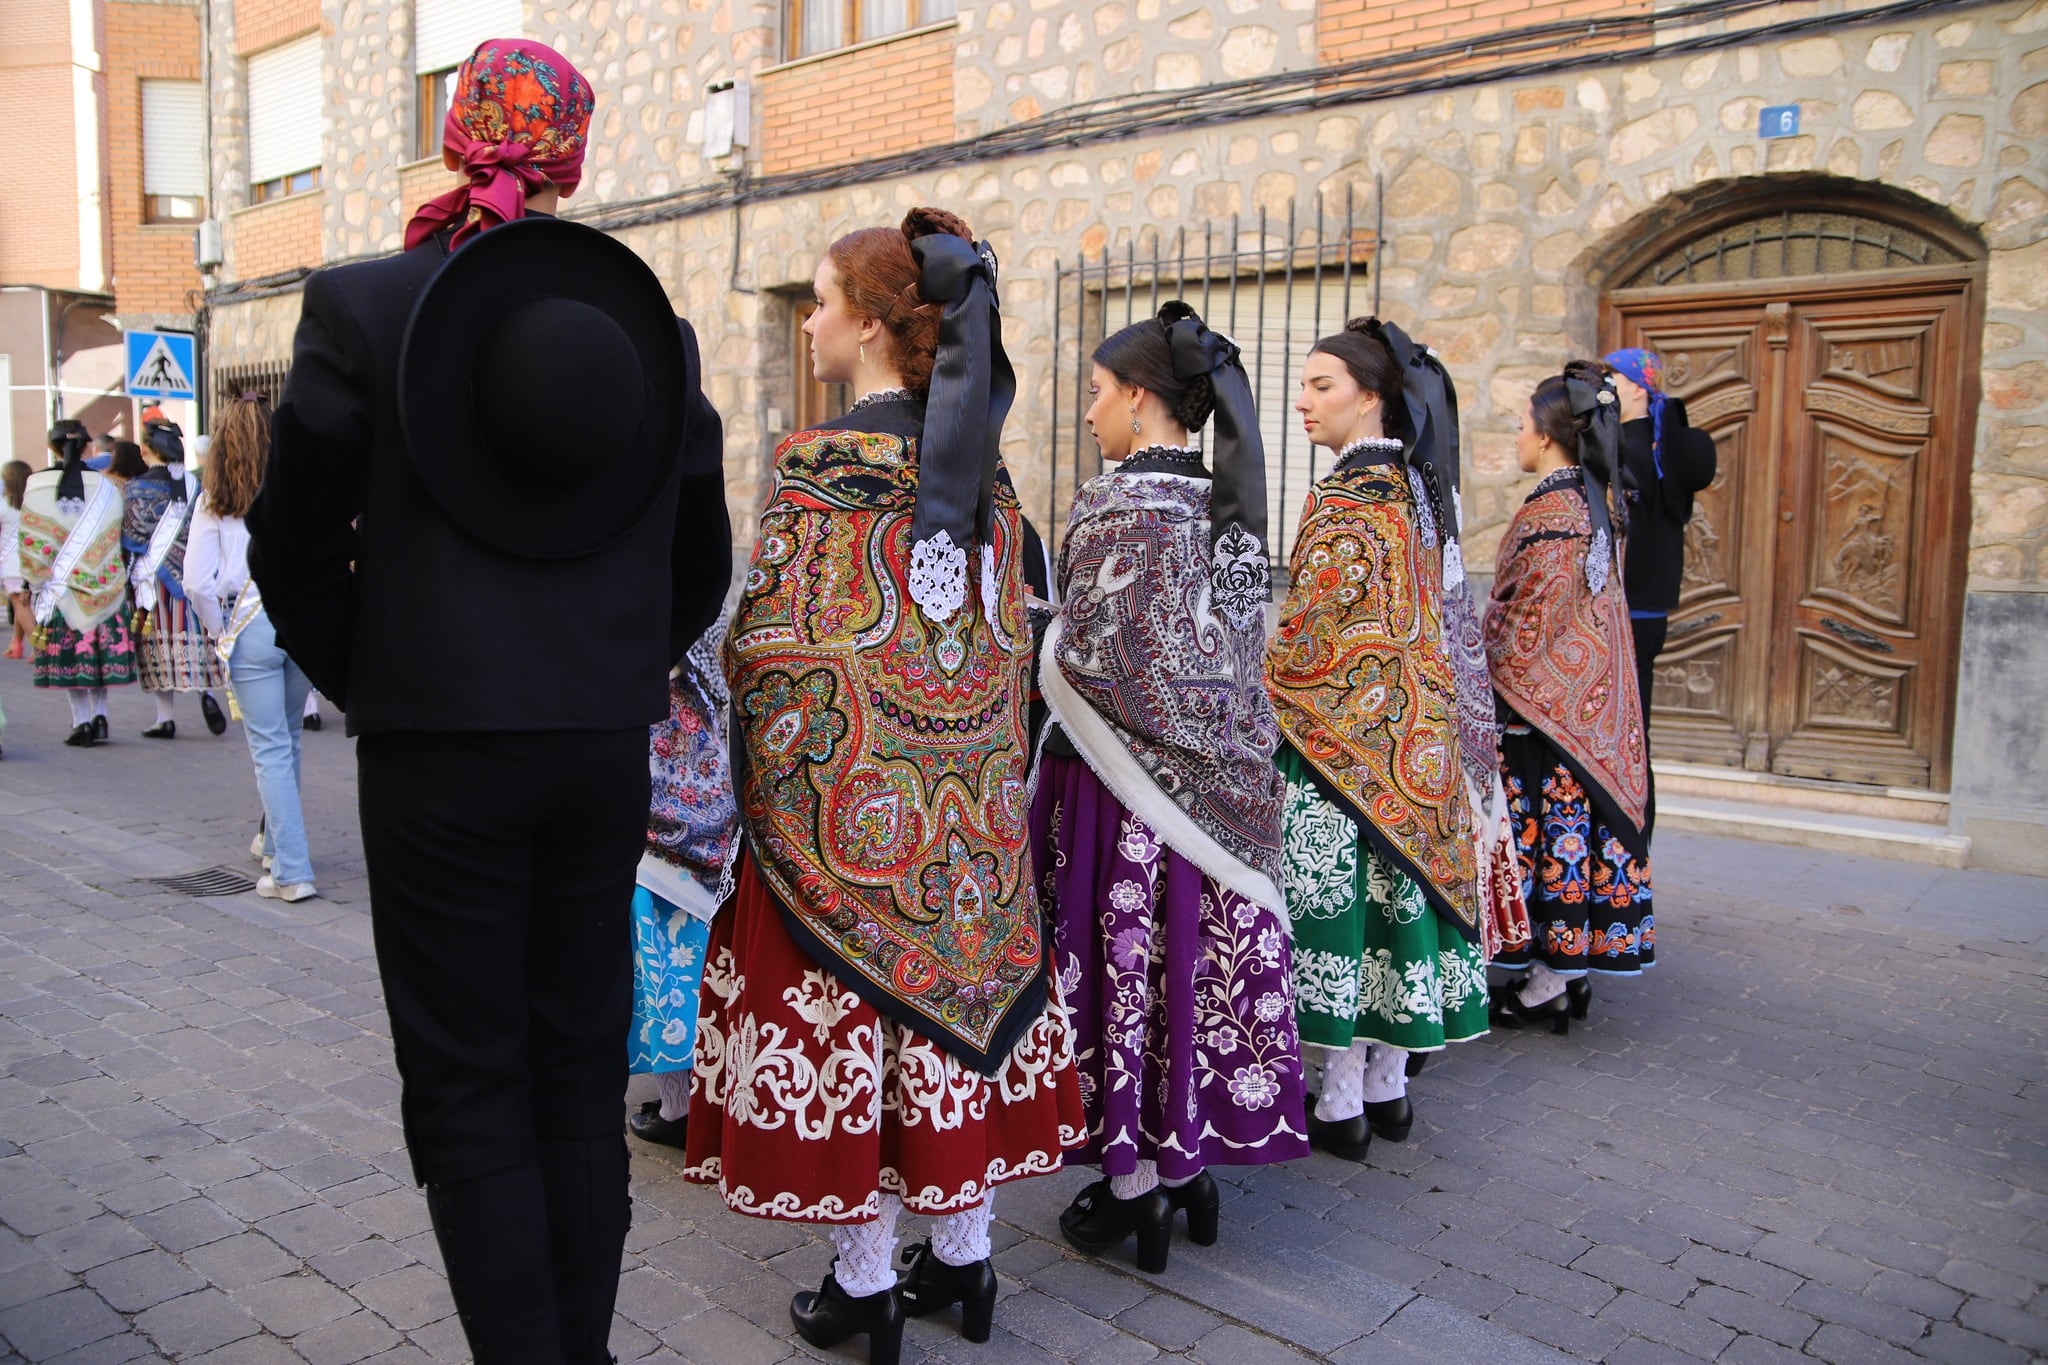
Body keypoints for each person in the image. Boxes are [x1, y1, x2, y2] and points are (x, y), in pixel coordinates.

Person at [246, 38, 731, 1365]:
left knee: (469, 1085)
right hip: (595, 755)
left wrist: (378, 676)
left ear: (458, 132)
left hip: (437, 756)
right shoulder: (648, 332)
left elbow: (288, 545)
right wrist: (610, 678)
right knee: (574, 1072)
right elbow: (700, 564)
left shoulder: (360, 308)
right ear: (571, 155)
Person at [685, 210, 1082, 1365]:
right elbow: (1017, 645)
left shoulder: (818, 478)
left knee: (862, 1036)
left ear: (866, 326)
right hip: (970, 844)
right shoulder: (994, 489)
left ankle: (862, 1288)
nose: (807, 322)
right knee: (950, 1028)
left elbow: (769, 651)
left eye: (816, 302)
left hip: (841, 836)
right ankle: (962, 1264)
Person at [1029, 302, 1303, 1273]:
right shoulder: (1227, 508)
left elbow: (1090, 657)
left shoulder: (1111, 504)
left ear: (1140, 401)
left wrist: (1040, 639)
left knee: (1121, 974)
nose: (1093, 413)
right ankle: (1185, 1165)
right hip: (1217, 795)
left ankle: (1133, 1184)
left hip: (1114, 793)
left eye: (1100, 395)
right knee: (1184, 971)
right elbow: (1226, 659)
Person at [1266, 318, 1497, 1161]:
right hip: (1419, 746)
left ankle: (1336, 1098)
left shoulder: (1344, 495)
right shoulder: (1424, 491)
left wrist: (1265, 692)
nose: (1302, 400)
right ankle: (1383, 1086)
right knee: (1398, 903)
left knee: (1342, 910)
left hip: (1340, 745)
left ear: (1371, 397)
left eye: (1322, 384)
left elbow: (1311, 633)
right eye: (1304, 383)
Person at [1485, 366, 1652, 1032]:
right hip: (1586, 716)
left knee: (1545, 839)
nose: (1518, 433)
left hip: (1540, 719)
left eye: (1524, 421)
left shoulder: (1551, 514)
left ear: (1550, 434)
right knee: (1572, 839)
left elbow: (1522, 623)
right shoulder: (1599, 505)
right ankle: (1563, 972)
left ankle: (1549, 975)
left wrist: (1476, 652)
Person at [187, 395, 318, 901]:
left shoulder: (213, 499)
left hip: (249, 622)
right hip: (299, 619)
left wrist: (219, 630)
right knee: (287, 741)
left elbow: (198, 583)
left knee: (270, 750)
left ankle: (292, 871)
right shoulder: (299, 488)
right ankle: (275, 846)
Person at [623, 605, 739, 1151]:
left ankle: (682, 1106)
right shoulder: (706, 636)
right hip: (713, 812)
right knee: (698, 965)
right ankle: (704, 1096)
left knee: (663, 972)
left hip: (657, 825)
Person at [1602, 349, 1718, 739]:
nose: (1604, 392)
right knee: (1637, 729)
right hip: (1651, 609)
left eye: (1611, 382)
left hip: (1627, 608)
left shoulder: (1629, 453)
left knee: (1623, 732)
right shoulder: (1658, 450)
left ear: (1636, 390)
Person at [20, 420, 138, 745]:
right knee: (98, 653)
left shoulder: (37, 484)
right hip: (101, 579)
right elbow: (119, 533)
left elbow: (31, 537)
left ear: (52, 447)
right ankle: (101, 716)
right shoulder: (107, 486)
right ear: (87, 446)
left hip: (60, 586)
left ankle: (82, 721)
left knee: (73, 656)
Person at [123, 416, 227, 738]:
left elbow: (132, 537)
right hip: (192, 575)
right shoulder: (198, 486)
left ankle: (164, 717)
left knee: (155, 645)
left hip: (153, 582)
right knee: (197, 639)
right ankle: (206, 694)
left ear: (148, 449)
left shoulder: (138, 487)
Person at [3, 460, 29, 661]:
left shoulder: (3, 505)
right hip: (34, 559)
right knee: (24, 603)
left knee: (19, 604)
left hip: (10, 562)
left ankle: (40, 648)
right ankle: (16, 643)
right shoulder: (34, 501)